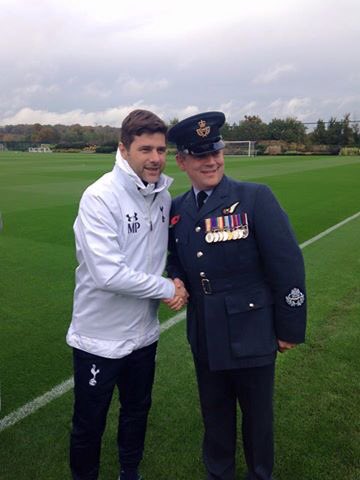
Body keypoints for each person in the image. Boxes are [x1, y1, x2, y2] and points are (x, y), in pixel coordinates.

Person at [166, 111, 306, 480]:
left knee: (258, 420)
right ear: (182, 161)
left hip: (252, 330)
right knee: (215, 416)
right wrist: (176, 279)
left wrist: (289, 326)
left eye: (216, 152)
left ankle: (260, 475)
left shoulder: (255, 198)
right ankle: (219, 474)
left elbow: (287, 264)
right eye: (200, 155)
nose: (211, 161)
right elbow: (174, 258)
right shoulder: (177, 209)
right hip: (205, 333)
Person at [66, 109, 188, 480]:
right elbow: (108, 273)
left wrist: (178, 277)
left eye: (162, 150)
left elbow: (164, 254)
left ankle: (129, 471)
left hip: (143, 335)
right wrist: (168, 287)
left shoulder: (163, 196)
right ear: (124, 149)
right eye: (145, 149)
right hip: (98, 338)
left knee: (137, 411)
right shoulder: (100, 197)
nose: (155, 159)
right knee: (89, 423)